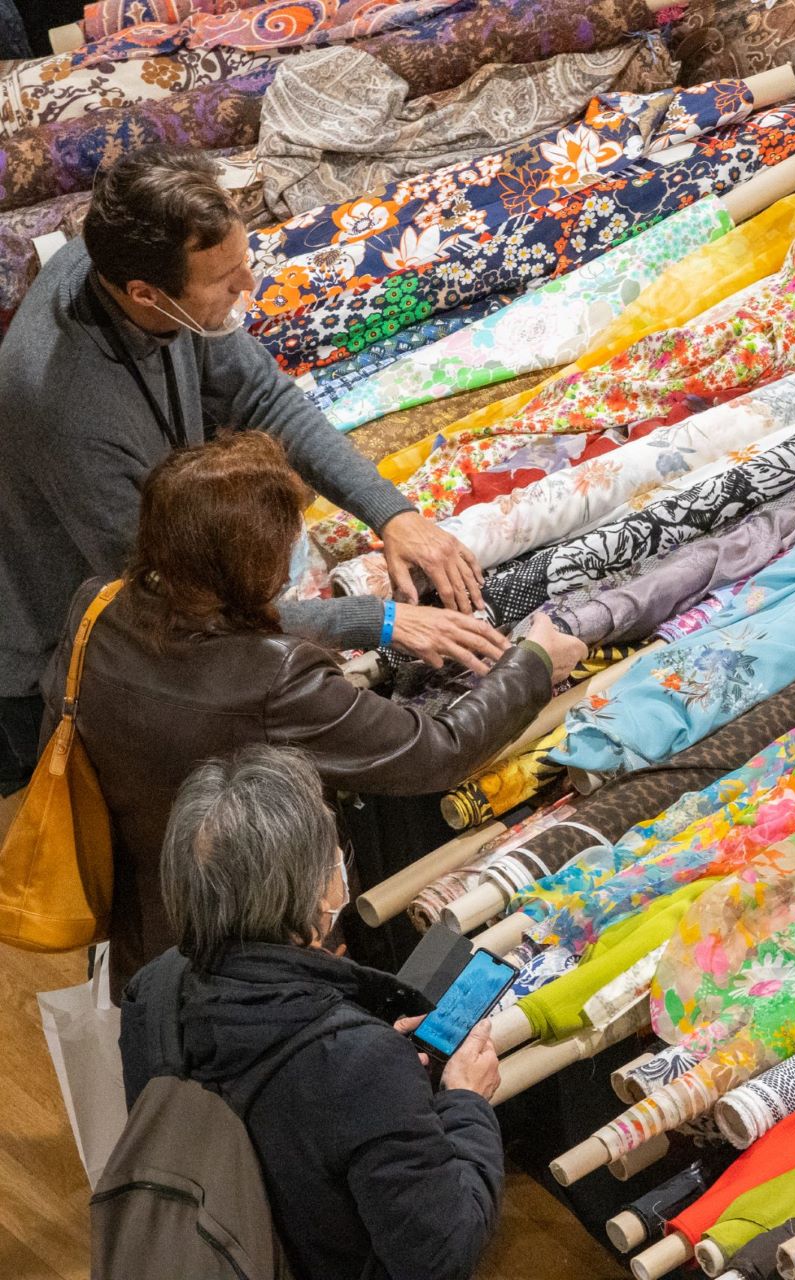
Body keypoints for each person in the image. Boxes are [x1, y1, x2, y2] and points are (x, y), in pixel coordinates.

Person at [0, 145, 503, 795]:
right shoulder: (70, 414)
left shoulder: (126, 275)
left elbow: (265, 400)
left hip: (135, 601)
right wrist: (380, 621)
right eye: (227, 279)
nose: (249, 288)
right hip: (46, 666)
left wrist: (393, 514)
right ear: (145, 293)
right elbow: (185, 613)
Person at [52, 432, 587, 996]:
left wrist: (378, 620)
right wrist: (533, 662)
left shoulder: (98, 606)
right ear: (257, 564)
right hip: (257, 938)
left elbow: (218, 631)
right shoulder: (278, 680)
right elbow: (436, 750)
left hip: (143, 911)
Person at [119, 745, 505, 1280]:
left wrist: (379, 1079)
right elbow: (439, 1256)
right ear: (305, 894)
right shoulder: (359, 1065)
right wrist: (465, 1103)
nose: (340, 868)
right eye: (332, 857)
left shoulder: (154, 988)